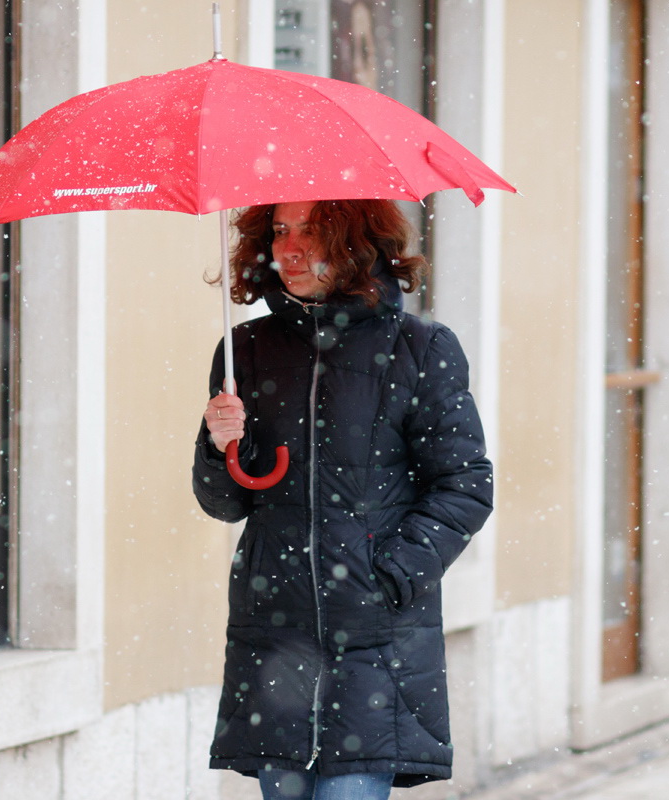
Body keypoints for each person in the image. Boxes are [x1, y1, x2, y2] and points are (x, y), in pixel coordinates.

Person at [193, 199, 493, 799]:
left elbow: (464, 486)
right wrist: (219, 442)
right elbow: (225, 501)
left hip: (374, 646)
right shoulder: (244, 351)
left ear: (358, 241)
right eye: (279, 231)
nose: (290, 248)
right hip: (277, 637)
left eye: (312, 231)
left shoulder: (420, 348)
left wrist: (388, 576)